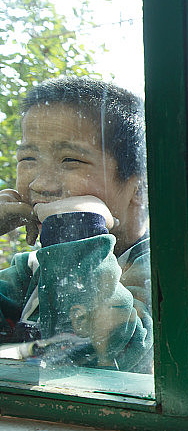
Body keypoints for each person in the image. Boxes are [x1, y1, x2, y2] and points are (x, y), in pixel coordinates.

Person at [0, 76, 151, 373]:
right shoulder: (32, 271)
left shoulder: (166, 277)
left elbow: (103, 354)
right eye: (28, 158)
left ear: (139, 188)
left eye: (70, 160)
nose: (40, 184)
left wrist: (79, 228)